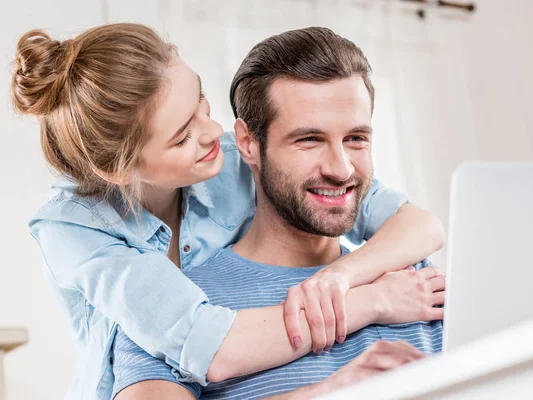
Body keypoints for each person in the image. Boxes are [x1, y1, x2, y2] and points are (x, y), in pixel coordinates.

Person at [10, 23, 444, 400]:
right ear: (116, 169)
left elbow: (411, 220)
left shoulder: (232, 157)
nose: (213, 131)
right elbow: (207, 345)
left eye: (201, 104)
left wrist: (339, 278)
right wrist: (366, 303)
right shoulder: (76, 232)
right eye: (182, 137)